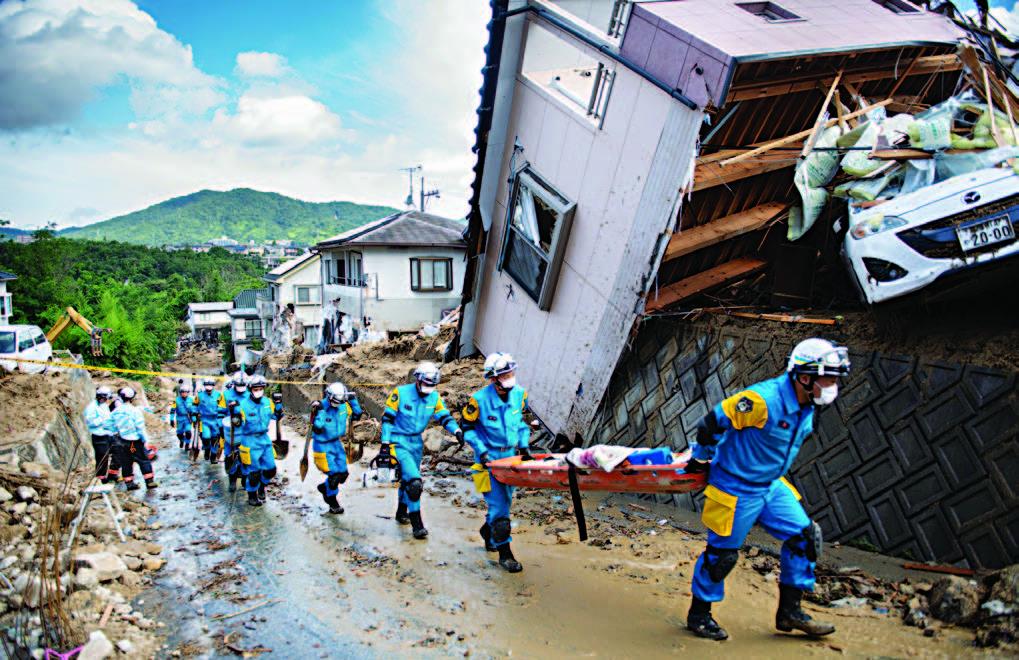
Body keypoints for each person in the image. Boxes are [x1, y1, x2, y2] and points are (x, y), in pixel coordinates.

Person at [684, 338, 851, 641]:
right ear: (804, 377)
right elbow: (711, 423)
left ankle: (790, 612)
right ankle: (699, 614)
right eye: (829, 378)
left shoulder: (807, 404)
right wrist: (701, 457)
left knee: (805, 538)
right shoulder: (762, 401)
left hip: (770, 486)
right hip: (735, 486)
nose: (833, 385)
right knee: (721, 556)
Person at [461, 352, 532, 572]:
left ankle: (486, 531)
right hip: (488, 461)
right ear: (493, 378)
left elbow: (521, 423)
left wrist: (525, 445)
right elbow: (467, 429)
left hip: (511, 457)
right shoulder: (478, 401)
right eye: (505, 374)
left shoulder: (520, 394)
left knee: (505, 503)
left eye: (511, 372)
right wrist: (481, 452)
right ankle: (505, 554)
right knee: (501, 510)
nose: (510, 376)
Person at [381, 362, 462, 539]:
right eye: (426, 384)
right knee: (415, 482)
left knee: (407, 481)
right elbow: (387, 418)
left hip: (416, 443)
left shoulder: (434, 397)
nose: (428, 388)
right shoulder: (400, 393)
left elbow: (444, 417)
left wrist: (457, 431)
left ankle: (401, 512)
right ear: (418, 379)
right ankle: (417, 524)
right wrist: (385, 444)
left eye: (432, 385)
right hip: (398, 441)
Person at [310, 382, 363, 515]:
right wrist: (321, 411)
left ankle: (325, 487)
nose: (338, 404)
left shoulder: (343, 406)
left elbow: (357, 415)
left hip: (336, 443)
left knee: (343, 474)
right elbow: (317, 427)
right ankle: (331, 500)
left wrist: (353, 401)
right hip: (322, 445)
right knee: (334, 475)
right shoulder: (320, 407)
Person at [230, 374, 283, 506]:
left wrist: (278, 405)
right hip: (249, 440)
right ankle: (252, 495)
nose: (258, 391)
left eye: (260, 388)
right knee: (254, 472)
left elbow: (276, 417)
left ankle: (261, 487)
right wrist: (235, 413)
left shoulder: (267, 402)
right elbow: (237, 422)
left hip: (264, 439)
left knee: (271, 469)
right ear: (250, 389)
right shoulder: (242, 405)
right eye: (255, 389)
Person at [111, 386, 157, 491]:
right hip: (134, 442)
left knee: (126, 462)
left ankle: (129, 483)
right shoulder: (135, 411)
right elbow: (140, 427)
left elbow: (110, 426)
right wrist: (145, 440)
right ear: (132, 398)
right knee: (143, 460)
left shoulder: (116, 412)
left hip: (122, 441)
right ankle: (149, 481)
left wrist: (116, 435)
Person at [220, 372, 248, 492]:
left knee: (245, 457)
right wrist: (220, 429)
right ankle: (232, 480)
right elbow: (220, 412)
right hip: (229, 431)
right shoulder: (226, 395)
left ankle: (244, 479)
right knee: (230, 455)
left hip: (245, 431)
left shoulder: (250, 395)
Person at [84, 385, 117, 483]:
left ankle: (112, 473)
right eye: (105, 398)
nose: (106, 400)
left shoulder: (104, 406)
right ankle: (101, 477)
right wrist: (102, 420)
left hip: (109, 434)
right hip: (99, 436)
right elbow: (91, 423)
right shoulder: (91, 407)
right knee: (102, 457)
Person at [193, 377, 225, 464]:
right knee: (206, 437)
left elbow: (222, 407)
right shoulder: (199, 395)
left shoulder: (218, 395)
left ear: (213, 386)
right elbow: (194, 405)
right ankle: (207, 450)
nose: (208, 388)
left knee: (215, 439)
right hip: (204, 420)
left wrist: (222, 418)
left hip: (215, 420)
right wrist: (194, 414)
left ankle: (213, 457)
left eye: (210, 385)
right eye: (207, 385)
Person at [171, 382, 195, 450]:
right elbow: (172, 410)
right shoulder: (176, 400)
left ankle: (187, 444)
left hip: (188, 419)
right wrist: (171, 419)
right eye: (182, 392)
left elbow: (193, 410)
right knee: (179, 433)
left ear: (188, 392)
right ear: (180, 392)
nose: (184, 393)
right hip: (179, 418)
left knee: (188, 432)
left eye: (185, 392)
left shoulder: (191, 400)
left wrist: (194, 419)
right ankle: (182, 440)